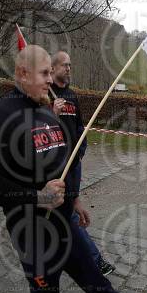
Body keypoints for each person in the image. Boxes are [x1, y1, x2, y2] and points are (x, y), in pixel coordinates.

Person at [0, 45, 128, 293]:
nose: (51, 80)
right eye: (44, 73)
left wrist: (74, 200)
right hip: (34, 239)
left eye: (51, 72)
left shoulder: (47, 111)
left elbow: (60, 165)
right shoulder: (0, 117)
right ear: (23, 74)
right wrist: (37, 197)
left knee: (103, 288)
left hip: (67, 227)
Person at [50, 50, 115, 275]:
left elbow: (80, 126)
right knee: (67, 210)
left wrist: (81, 150)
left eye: (70, 65)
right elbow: (38, 128)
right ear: (52, 69)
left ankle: (63, 250)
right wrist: (51, 112)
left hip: (73, 163)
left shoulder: (71, 96)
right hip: (55, 166)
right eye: (64, 65)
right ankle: (94, 261)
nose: (68, 69)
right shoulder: (45, 95)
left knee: (69, 207)